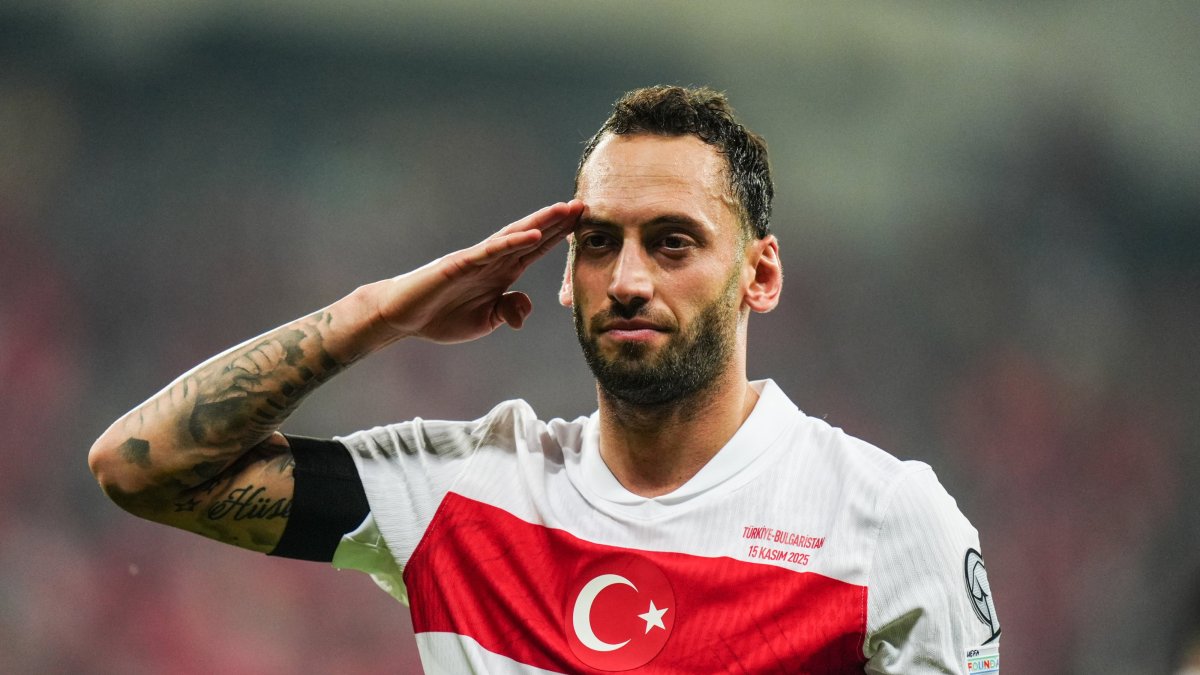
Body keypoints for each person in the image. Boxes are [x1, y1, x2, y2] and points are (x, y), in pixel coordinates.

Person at [89, 85, 1000, 673]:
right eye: (598, 243)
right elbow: (141, 467)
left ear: (759, 274)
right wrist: (378, 312)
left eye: (673, 241)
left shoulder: (886, 521)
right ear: (564, 274)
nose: (630, 278)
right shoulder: (462, 492)